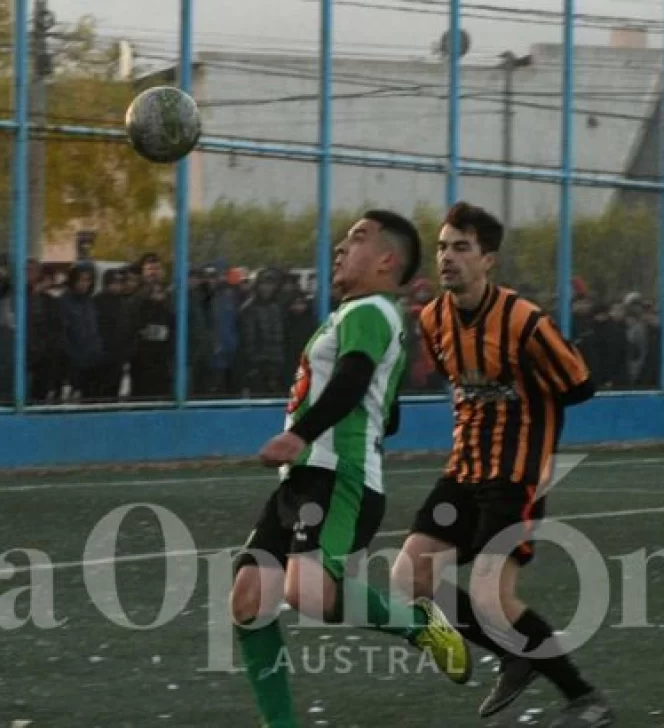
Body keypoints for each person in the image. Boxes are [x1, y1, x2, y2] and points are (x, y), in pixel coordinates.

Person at [230, 210, 471, 728]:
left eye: (357, 239)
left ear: (388, 262)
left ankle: (417, 623)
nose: (341, 247)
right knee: (250, 598)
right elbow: (388, 408)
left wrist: (301, 433)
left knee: (308, 592)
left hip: (339, 478)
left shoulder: (373, 310)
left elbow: (356, 376)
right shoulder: (356, 316)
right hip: (304, 479)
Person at [391, 201, 613, 727]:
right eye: (443, 246)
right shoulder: (432, 319)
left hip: (514, 478)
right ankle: (517, 655)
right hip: (463, 470)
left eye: (460, 248)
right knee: (409, 576)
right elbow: (458, 382)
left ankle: (587, 700)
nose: (446, 257)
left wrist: (527, 418)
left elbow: (579, 386)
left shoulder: (525, 321)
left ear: (488, 259)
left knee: (494, 595)